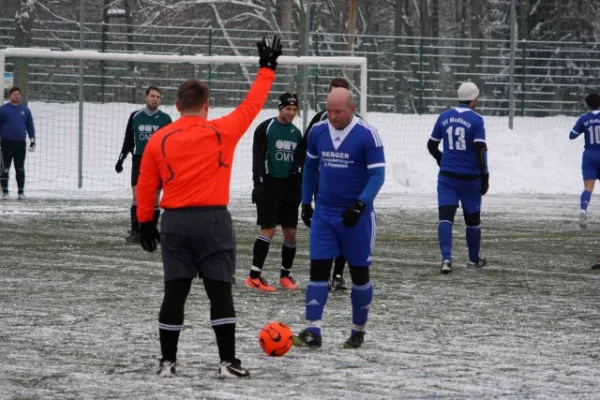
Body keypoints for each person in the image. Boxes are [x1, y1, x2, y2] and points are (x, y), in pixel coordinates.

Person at [135, 35, 281, 378]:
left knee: (175, 291)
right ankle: (228, 363)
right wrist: (267, 68)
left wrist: (144, 221)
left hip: (175, 223)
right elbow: (252, 106)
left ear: (176, 104)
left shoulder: (160, 138)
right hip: (213, 221)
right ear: (206, 105)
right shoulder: (221, 132)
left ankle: (168, 363)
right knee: (219, 290)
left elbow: (146, 184)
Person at [294, 87, 385, 349]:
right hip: (324, 213)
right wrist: (306, 202)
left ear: (352, 109)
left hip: (356, 217)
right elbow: (310, 167)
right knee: (317, 271)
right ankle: (313, 330)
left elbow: (377, 176)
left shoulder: (367, 135)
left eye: (338, 111)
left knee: (359, 274)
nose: (332, 116)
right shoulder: (318, 131)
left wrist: (360, 204)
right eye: (329, 110)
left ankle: (358, 330)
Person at [296, 77, 357, 291]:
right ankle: (323, 275)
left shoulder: (358, 124)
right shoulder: (319, 121)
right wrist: (300, 170)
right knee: (327, 232)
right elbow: (304, 148)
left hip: (348, 189)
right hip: (323, 187)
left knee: (345, 230)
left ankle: (338, 274)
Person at [427, 82, 489, 274]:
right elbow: (480, 150)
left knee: (445, 217)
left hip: (447, 177)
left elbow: (431, 145)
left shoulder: (444, 117)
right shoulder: (477, 120)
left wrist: (441, 159)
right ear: (474, 99)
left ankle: (446, 259)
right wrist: (485, 175)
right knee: (472, 220)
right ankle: (472, 260)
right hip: (470, 178)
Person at [246, 92, 303, 292]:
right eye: (288, 109)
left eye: (294, 109)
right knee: (268, 230)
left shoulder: (296, 133)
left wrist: (299, 184)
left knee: (291, 232)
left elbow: (299, 160)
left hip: (289, 187)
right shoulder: (266, 128)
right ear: (280, 108)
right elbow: (258, 156)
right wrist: (258, 182)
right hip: (269, 185)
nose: (291, 113)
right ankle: (254, 276)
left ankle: (285, 276)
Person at [115, 86, 172, 243]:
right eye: (152, 96)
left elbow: (170, 143)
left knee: (155, 199)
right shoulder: (135, 116)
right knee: (137, 197)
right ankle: (135, 232)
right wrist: (121, 159)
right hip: (139, 160)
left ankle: (151, 231)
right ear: (146, 97)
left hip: (157, 162)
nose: (155, 99)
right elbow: (128, 140)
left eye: (158, 97)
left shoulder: (165, 119)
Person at [569, 92, 600, 231]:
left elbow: (572, 135)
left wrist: (583, 128)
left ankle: (583, 210)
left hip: (589, 155)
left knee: (588, 187)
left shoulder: (584, 118)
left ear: (587, 105)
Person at [0, 87, 36, 200]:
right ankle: (5, 192)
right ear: (10, 96)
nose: (16, 96)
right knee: (4, 167)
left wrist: (32, 139)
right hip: (6, 142)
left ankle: (21, 192)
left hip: (20, 143)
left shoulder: (25, 110)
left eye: (18, 94)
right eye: (14, 94)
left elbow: (30, 125)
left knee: (20, 168)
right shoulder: (3, 110)